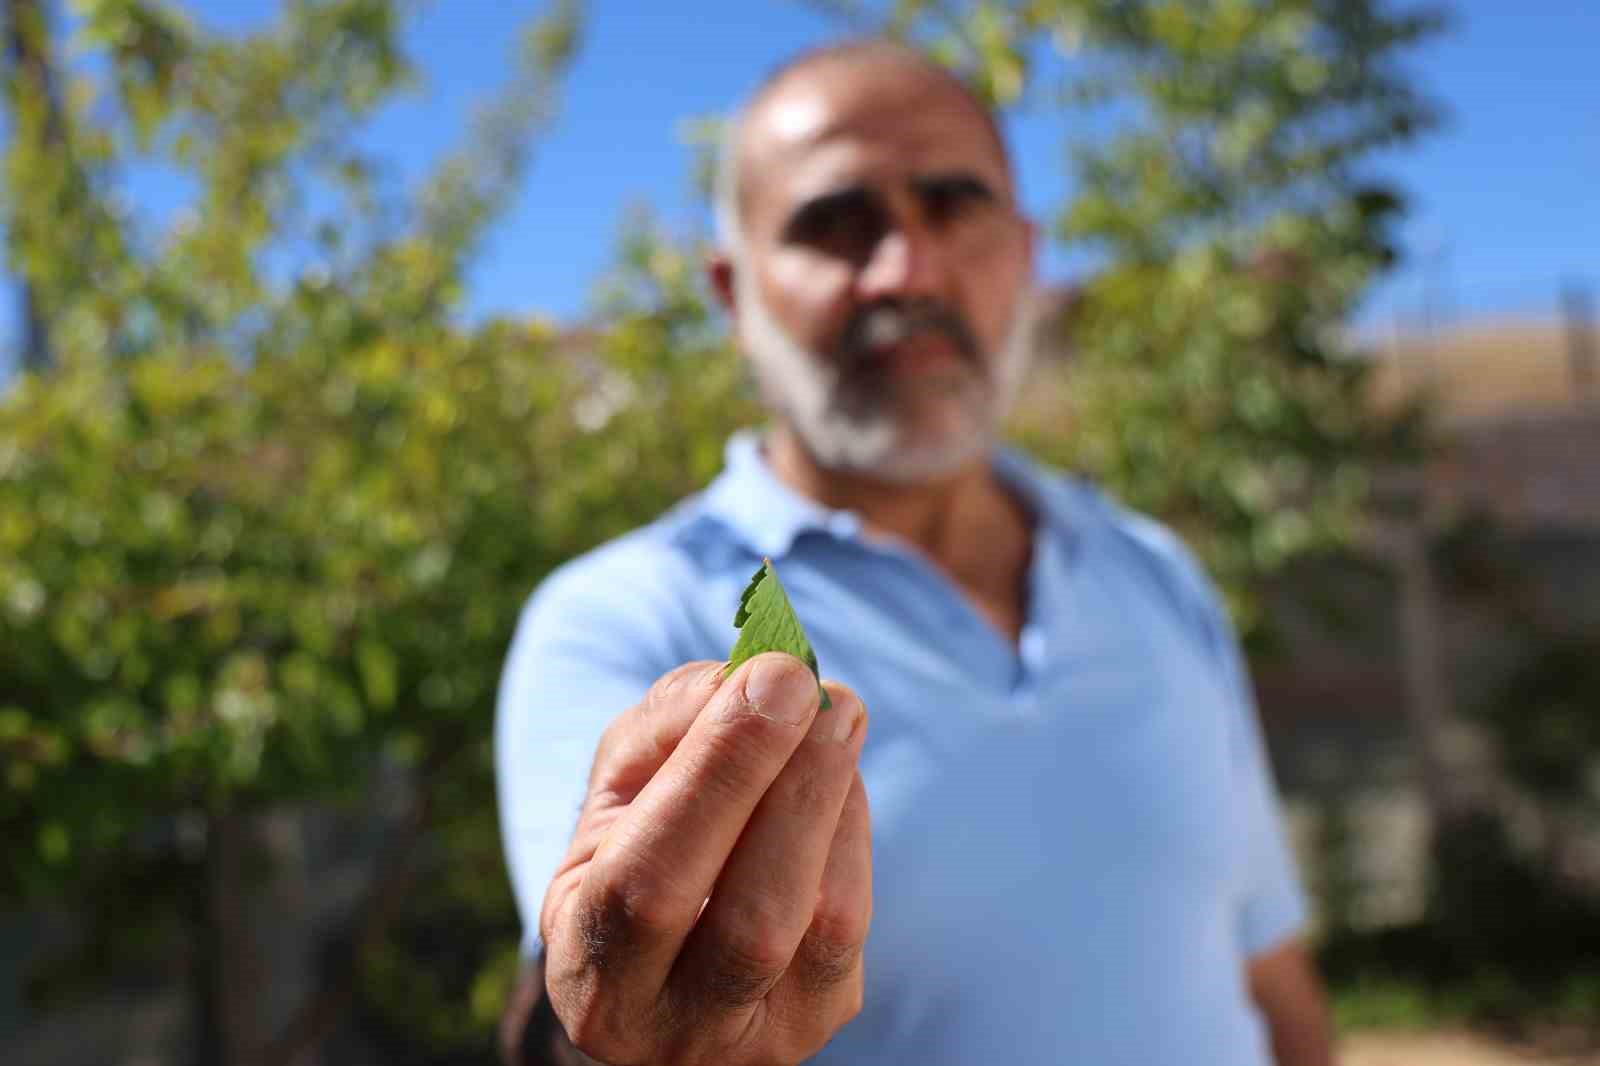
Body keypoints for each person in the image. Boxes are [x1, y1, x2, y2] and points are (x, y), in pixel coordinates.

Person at [495, 38, 1335, 1066]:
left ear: (1025, 256)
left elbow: (1266, 966)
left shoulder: (1154, 574)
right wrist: (604, 1027)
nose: (906, 269)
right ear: (733, 295)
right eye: (833, 225)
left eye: (953, 205)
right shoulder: (625, 617)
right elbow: (589, 998)